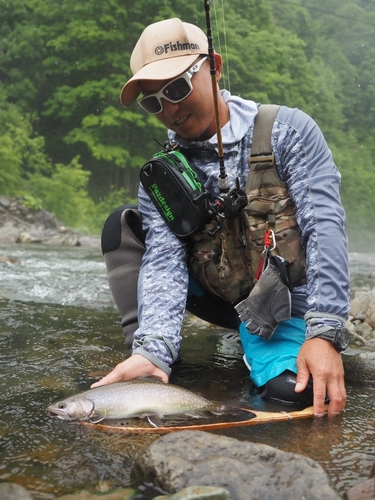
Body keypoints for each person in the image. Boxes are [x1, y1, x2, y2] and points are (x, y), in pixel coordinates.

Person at [92, 18, 350, 417]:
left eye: (177, 88)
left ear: (213, 65)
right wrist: (153, 350)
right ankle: (149, 360)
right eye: (154, 102)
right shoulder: (161, 176)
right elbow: (163, 263)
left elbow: (325, 229)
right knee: (120, 225)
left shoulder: (288, 132)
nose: (170, 110)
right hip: (215, 295)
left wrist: (325, 333)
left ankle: (263, 341)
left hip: (282, 303)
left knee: (294, 394)